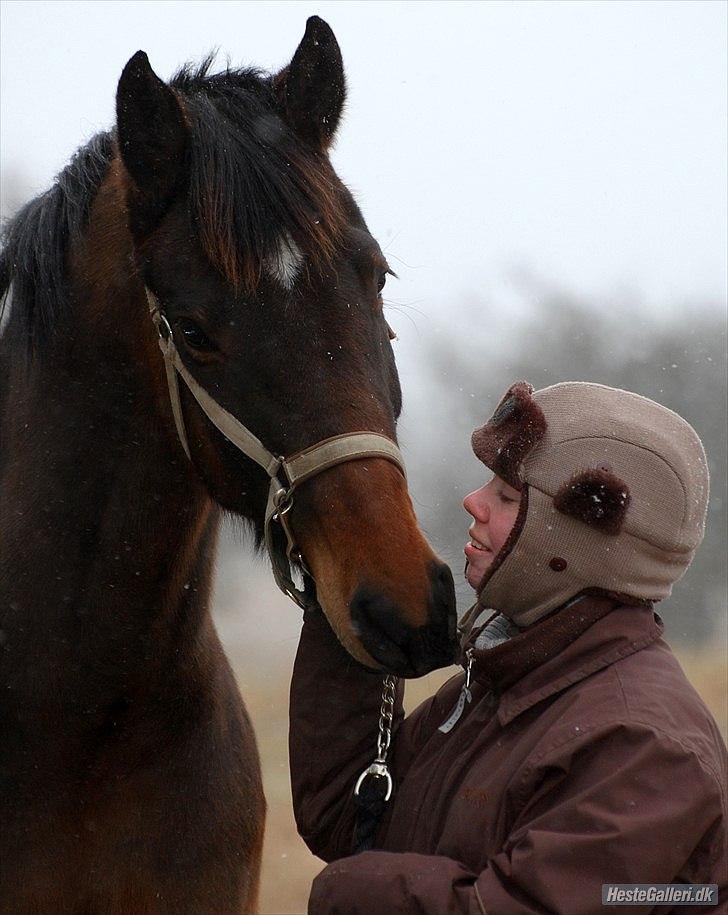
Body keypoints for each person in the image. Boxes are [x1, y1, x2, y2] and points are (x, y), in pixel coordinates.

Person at [289, 381, 727, 915]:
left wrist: (352, 893)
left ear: (577, 538)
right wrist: (353, 590)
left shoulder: (641, 745)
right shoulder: (504, 683)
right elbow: (348, 819)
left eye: (507, 496)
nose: (472, 501)